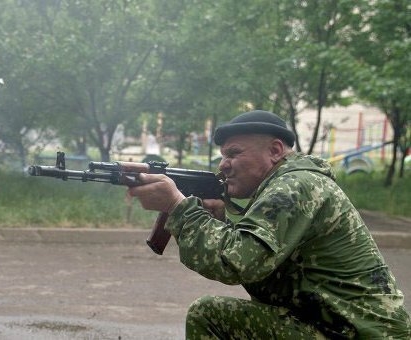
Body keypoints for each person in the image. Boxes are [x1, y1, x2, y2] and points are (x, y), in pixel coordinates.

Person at [128, 110, 411, 339]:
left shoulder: (293, 186)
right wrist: (219, 219)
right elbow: (263, 260)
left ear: (275, 150)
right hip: (346, 327)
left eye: (234, 153)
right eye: (223, 155)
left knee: (208, 314)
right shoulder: (293, 183)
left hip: (354, 332)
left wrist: (178, 207)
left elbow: (236, 263)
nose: (223, 165)